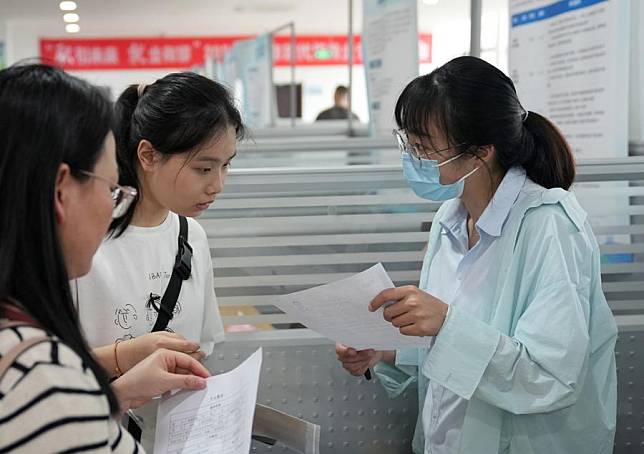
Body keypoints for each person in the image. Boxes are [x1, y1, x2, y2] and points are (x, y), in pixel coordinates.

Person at [336, 56, 617, 454]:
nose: (413, 159)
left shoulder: (548, 226)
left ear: (480, 152)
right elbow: (451, 357)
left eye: (424, 148)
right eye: (409, 144)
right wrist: (383, 351)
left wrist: (446, 323)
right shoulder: (449, 220)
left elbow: (550, 376)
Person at [0, 63, 210, 452]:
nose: (115, 206)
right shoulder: (43, 379)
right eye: (112, 188)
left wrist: (117, 394)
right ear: (62, 191)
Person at [74, 72, 245, 449]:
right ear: (148, 155)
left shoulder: (191, 237)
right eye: (204, 168)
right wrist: (126, 356)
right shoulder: (83, 240)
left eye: (226, 165)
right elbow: (40, 364)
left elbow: (201, 349)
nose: (218, 184)